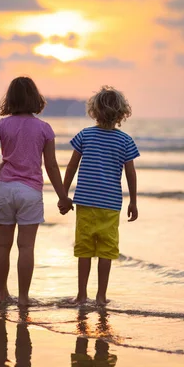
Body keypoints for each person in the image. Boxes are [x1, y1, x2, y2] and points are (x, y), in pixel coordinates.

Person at [0, 76, 73, 307]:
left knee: (2, 245)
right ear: (35, 99)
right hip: (30, 191)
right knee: (26, 247)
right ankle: (23, 298)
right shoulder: (45, 129)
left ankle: (1, 294)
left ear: (10, 99)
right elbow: (50, 166)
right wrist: (62, 196)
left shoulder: (2, 125)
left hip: (5, 189)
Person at [59, 85, 139, 306]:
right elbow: (131, 173)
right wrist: (133, 201)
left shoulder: (85, 135)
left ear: (94, 111)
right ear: (122, 113)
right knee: (106, 250)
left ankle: (82, 295)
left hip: (85, 202)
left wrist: (63, 194)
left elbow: (71, 166)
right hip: (111, 205)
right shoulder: (125, 141)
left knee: (84, 248)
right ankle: (101, 296)